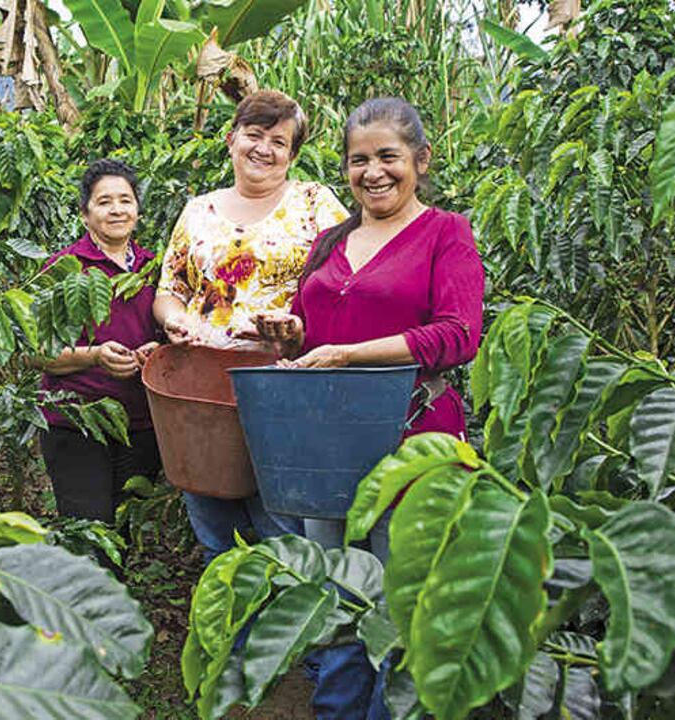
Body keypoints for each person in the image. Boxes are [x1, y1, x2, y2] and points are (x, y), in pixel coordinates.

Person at [255, 97, 485, 720]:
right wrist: (291, 334)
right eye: (359, 160)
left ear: (420, 160)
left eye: (389, 157)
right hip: (326, 445)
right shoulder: (331, 241)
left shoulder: (445, 233)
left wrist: (350, 355)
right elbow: (314, 329)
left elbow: (458, 334)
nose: (373, 172)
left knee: (399, 599)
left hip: (411, 444)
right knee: (336, 592)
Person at [152, 89, 349, 558]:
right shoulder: (199, 209)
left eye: (279, 141)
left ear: (293, 154)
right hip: (202, 387)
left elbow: (352, 282)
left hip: (284, 388)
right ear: (231, 139)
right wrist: (177, 321)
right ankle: (231, 626)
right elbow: (170, 291)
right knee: (212, 518)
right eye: (254, 134)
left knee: (284, 525)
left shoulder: (315, 203)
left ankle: (288, 627)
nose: (264, 148)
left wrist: (298, 325)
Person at [38, 159, 161, 523]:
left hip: (140, 425)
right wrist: (94, 356)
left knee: (120, 531)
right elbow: (34, 352)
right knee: (88, 529)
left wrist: (156, 352)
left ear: (138, 209)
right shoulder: (64, 267)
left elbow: (172, 334)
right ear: (85, 214)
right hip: (76, 423)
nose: (117, 210)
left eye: (125, 200)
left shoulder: (153, 268)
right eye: (104, 201)